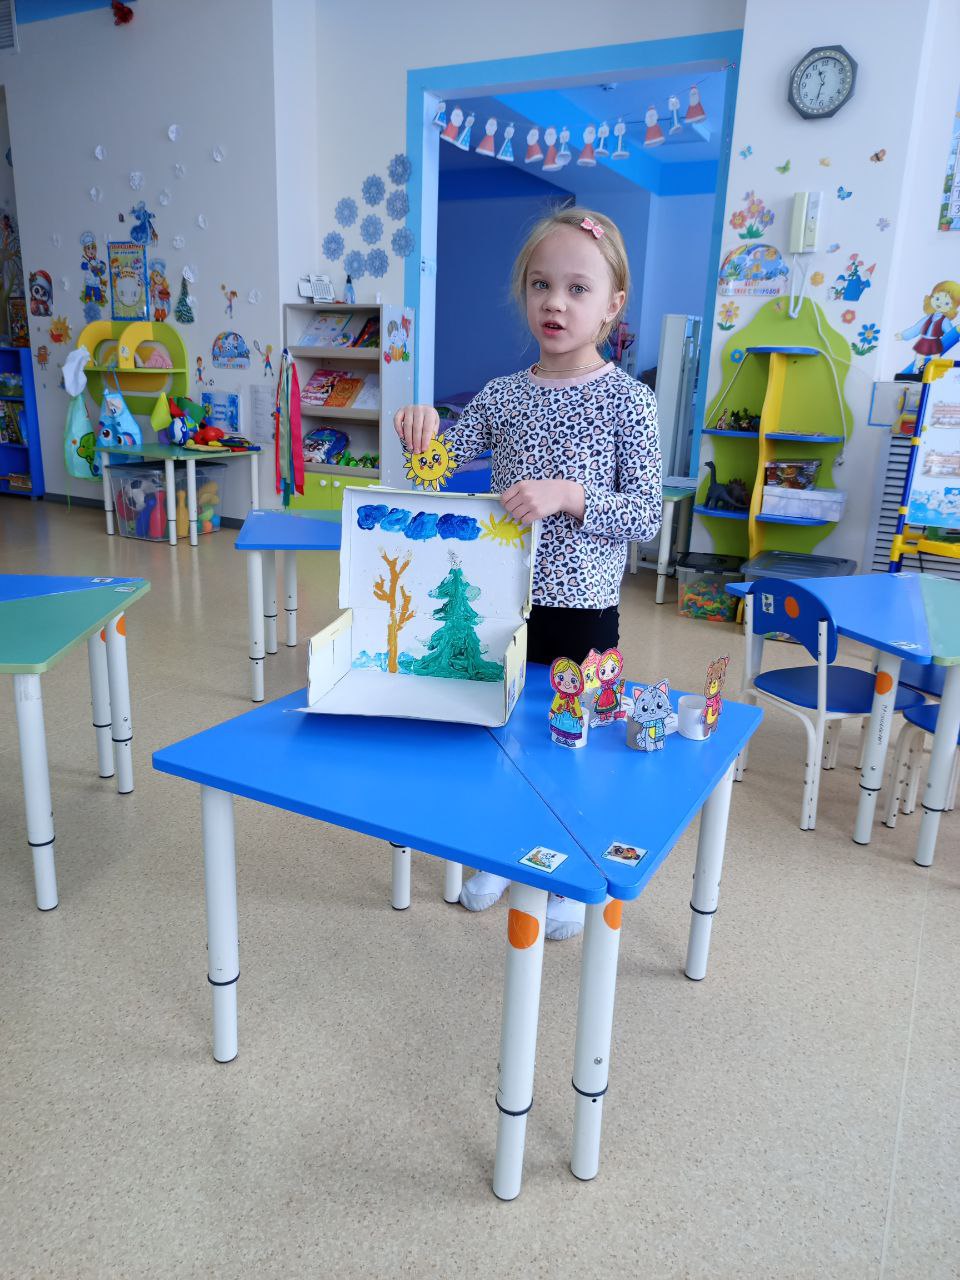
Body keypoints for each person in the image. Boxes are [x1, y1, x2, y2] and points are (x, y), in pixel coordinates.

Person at [394, 205, 662, 939]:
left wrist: (571, 496)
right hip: (502, 602)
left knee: (570, 742)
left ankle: (567, 873)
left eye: (578, 288)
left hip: (583, 612)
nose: (556, 302)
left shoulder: (630, 402)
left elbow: (645, 514)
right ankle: (502, 852)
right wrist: (420, 435)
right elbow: (434, 472)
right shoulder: (503, 395)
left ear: (612, 305)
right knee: (501, 733)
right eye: (541, 284)